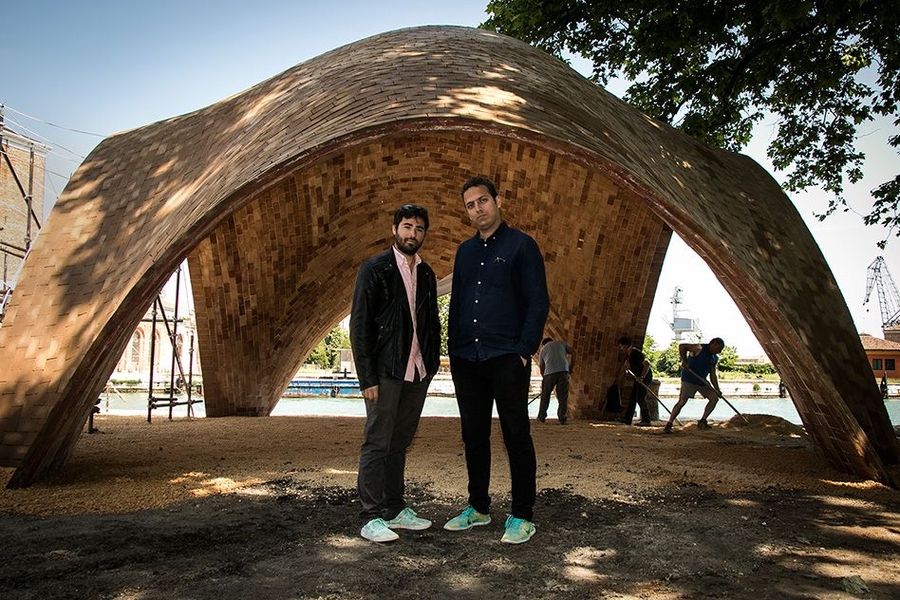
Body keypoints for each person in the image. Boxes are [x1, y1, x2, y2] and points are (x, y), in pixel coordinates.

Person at [444, 176, 550, 545]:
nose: (478, 209)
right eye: (470, 205)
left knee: (515, 435)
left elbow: (538, 302)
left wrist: (524, 349)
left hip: (507, 355)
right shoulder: (464, 252)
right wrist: (452, 346)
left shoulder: (522, 246)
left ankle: (522, 515)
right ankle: (478, 508)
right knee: (473, 435)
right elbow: (457, 303)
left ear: (498, 200)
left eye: (483, 201)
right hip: (466, 358)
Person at [349, 204, 441, 543]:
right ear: (394, 229)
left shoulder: (428, 274)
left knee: (399, 442)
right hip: (386, 372)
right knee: (377, 442)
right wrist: (367, 378)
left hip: (417, 372)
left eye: (418, 228)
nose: (411, 233)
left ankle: (395, 508)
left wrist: (430, 365)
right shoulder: (374, 269)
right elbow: (359, 326)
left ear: (423, 234)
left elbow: (431, 323)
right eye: (406, 226)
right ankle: (370, 516)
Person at [663, 337, 725, 433]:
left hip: (702, 381)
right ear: (713, 344)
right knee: (682, 401)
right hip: (689, 379)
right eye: (719, 348)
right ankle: (669, 423)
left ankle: (703, 420)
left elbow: (713, 375)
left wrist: (717, 390)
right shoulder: (698, 348)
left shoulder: (714, 358)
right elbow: (682, 346)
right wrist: (684, 360)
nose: (719, 351)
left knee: (714, 398)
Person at [537, 337, 575, 424]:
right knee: (563, 396)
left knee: (545, 396)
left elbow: (542, 367)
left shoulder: (543, 350)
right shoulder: (562, 343)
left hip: (549, 373)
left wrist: (545, 378)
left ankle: (541, 417)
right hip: (563, 371)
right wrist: (571, 367)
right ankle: (562, 419)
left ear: (544, 344)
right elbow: (574, 352)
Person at [617, 336, 652, 426]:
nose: (620, 349)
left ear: (625, 346)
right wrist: (618, 378)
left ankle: (646, 420)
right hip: (639, 378)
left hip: (644, 377)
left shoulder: (635, 353)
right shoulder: (629, 355)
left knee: (640, 398)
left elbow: (647, 364)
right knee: (633, 397)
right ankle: (628, 419)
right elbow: (625, 366)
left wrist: (642, 377)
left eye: (621, 346)